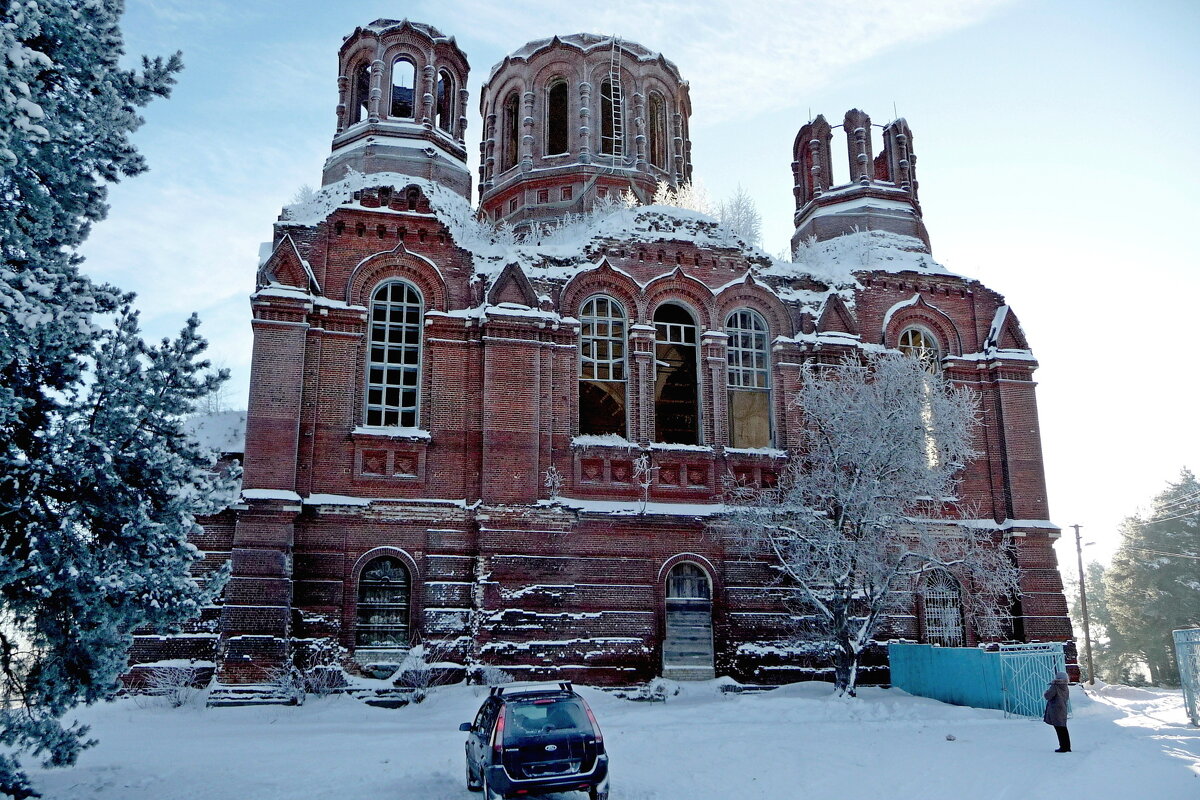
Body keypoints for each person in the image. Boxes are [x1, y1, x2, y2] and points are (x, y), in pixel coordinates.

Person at [1043, 671, 1071, 752]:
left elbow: (1048, 696)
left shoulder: (1055, 686)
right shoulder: (1065, 686)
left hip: (1055, 709)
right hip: (1063, 708)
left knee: (1059, 729)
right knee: (1063, 728)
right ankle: (1067, 746)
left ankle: (1063, 747)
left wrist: (1045, 693)